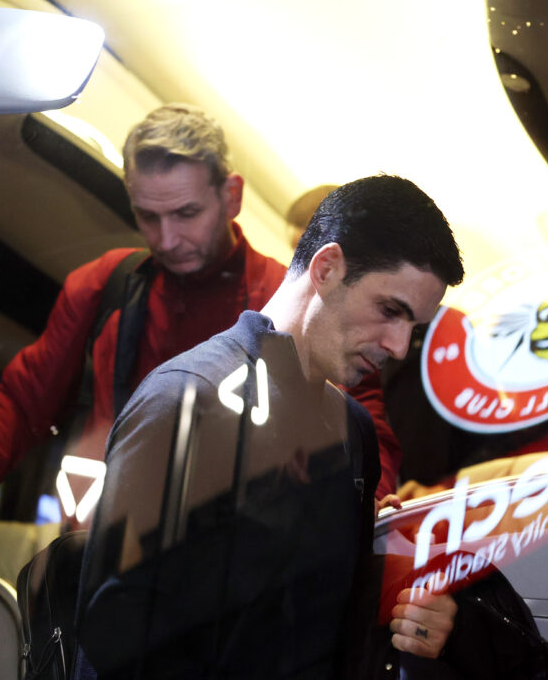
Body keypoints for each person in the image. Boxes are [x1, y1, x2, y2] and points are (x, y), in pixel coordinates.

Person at [0, 103, 403, 593]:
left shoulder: (287, 301)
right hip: (103, 571)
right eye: (149, 216)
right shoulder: (103, 288)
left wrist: (370, 500)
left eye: (186, 213)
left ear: (231, 196)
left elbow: (362, 422)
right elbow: (19, 405)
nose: (167, 238)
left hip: (235, 577)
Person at [74, 175, 465, 678]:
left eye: (413, 329)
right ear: (327, 267)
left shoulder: (353, 430)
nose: (395, 345)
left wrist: (404, 609)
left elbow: (319, 624)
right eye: (389, 311)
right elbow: (115, 644)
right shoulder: (188, 398)